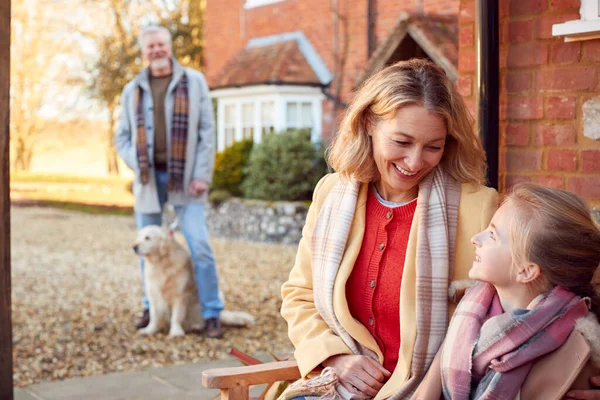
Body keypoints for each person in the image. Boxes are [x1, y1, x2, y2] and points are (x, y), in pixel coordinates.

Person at [280, 59, 498, 399]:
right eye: (401, 141)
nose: (414, 162)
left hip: (428, 391)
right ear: (368, 123)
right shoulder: (330, 194)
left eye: (433, 147)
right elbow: (301, 295)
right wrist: (333, 357)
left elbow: (516, 311)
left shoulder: (479, 207)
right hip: (337, 386)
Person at [414, 183, 600, 399]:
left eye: (492, 235)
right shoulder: (471, 312)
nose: (476, 238)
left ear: (526, 271)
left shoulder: (577, 351)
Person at [114, 25, 224, 338]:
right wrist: (137, 163)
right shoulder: (131, 89)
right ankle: (152, 307)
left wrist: (202, 175)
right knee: (145, 247)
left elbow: (206, 132)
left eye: (161, 44)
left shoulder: (195, 82)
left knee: (199, 245)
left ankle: (212, 311)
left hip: (187, 179)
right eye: (151, 47)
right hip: (148, 180)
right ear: (143, 52)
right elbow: (121, 136)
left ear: (169, 46)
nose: (157, 50)